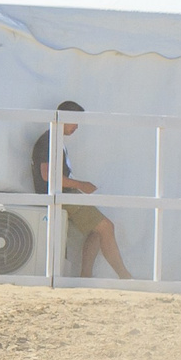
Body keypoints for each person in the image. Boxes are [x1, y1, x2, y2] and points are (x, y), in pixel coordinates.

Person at [30, 100, 131, 279]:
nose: (77, 126)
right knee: (106, 228)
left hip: (66, 196)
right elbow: (47, 176)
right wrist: (81, 185)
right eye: (75, 121)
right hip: (63, 197)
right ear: (64, 118)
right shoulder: (48, 141)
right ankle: (125, 277)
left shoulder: (54, 140)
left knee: (98, 232)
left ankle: (86, 276)